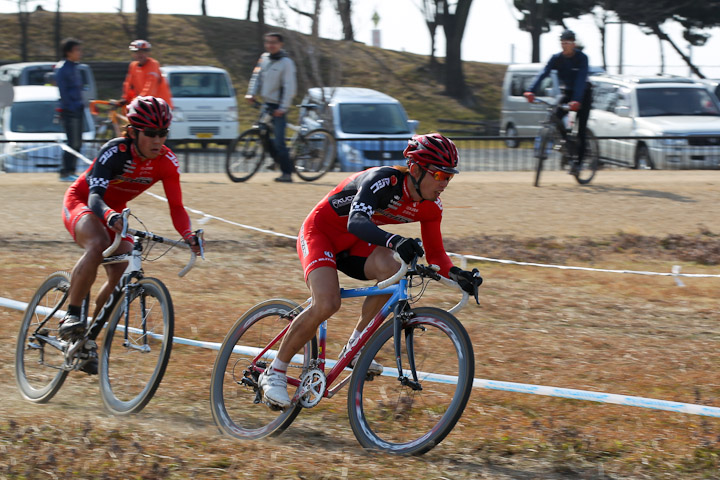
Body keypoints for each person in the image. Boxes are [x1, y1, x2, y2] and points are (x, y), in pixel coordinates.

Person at [257, 133, 483, 408]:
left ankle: (355, 345)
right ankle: (275, 372)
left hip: (354, 245)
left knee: (395, 267)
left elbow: (437, 256)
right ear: (415, 169)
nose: (444, 183)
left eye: (449, 177)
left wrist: (459, 276)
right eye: (438, 175)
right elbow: (356, 222)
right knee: (327, 303)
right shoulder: (382, 181)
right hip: (321, 233)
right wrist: (395, 240)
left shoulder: (431, 207)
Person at [59, 96, 202, 373]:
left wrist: (188, 235)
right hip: (83, 202)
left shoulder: (167, 161)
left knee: (121, 271)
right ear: (133, 132)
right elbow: (95, 198)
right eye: (150, 134)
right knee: (98, 244)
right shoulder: (115, 152)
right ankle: (72, 315)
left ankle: (86, 338)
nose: (157, 140)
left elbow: (177, 207)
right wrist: (109, 216)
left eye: (163, 134)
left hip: (115, 212)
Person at [523, 29, 593, 174]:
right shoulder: (556, 58)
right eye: (562, 43)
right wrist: (531, 90)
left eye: (567, 43)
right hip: (567, 93)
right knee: (554, 115)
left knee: (580, 130)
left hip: (583, 95)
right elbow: (543, 73)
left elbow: (581, 80)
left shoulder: (582, 58)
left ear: (573, 44)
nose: (564, 46)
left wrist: (577, 100)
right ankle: (564, 143)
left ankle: (578, 164)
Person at [245, 32, 297, 183]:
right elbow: (256, 77)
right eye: (267, 42)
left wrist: (283, 107)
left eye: (274, 42)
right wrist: (251, 93)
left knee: (280, 141)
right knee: (263, 136)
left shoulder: (286, 62)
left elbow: (289, 86)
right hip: (266, 104)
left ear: (280, 44)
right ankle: (278, 162)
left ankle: (287, 173)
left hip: (279, 106)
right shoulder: (264, 58)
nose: (270, 45)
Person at [55, 38, 84, 182]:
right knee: (72, 142)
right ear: (68, 52)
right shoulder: (62, 68)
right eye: (76, 50)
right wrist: (72, 107)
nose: (79, 53)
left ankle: (71, 170)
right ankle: (65, 172)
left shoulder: (75, 67)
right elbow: (64, 92)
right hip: (70, 110)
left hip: (78, 108)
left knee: (78, 142)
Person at [122, 40, 173, 108]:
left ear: (148, 53)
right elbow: (129, 84)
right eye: (137, 52)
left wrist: (140, 99)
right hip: (145, 104)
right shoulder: (133, 66)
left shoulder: (153, 64)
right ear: (133, 54)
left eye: (143, 52)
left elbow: (151, 85)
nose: (140, 55)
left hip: (159, 106)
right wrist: (125, 98)